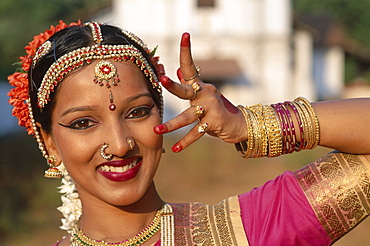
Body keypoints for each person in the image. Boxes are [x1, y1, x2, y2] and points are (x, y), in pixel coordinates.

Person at [7, 20, 370, 246]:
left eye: (138, 112)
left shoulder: (246, 232)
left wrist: (250, 124)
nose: (119, 145)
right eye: (84, 122)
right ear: (50, 143)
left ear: (161, 119)